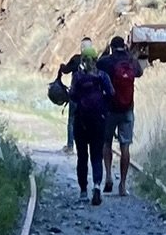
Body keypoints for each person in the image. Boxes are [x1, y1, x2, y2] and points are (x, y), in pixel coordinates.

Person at [67, 47, 115, 205]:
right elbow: (111, 93)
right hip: (99, 120)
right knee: (96, 155)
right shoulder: (102, 76)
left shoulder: (77, 76)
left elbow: (72, 95)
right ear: (96, 60)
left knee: (82, 156)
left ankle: (82, 192)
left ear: (83, 60)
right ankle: (96, 185)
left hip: (81, 121)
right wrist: (104, 108)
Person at [99, 34, 143, 196]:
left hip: (110, 109)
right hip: (127, 109)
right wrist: (131, 55)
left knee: (106, 143)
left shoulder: (108, 61)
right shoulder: (130, 61)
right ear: (124, 46)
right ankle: (122, 185)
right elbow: (139, 73)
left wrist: (104, 52)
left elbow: (97, 65)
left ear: (111, 47)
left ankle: (109, 177)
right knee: (125, 146)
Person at [56, 38, 96, 156]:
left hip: (76, 96)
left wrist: (62, 66)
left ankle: (70, 146)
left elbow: (66, 70)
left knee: (72, 121)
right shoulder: (95, 61)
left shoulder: (76, 59)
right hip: (90, 97)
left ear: (82, 48)